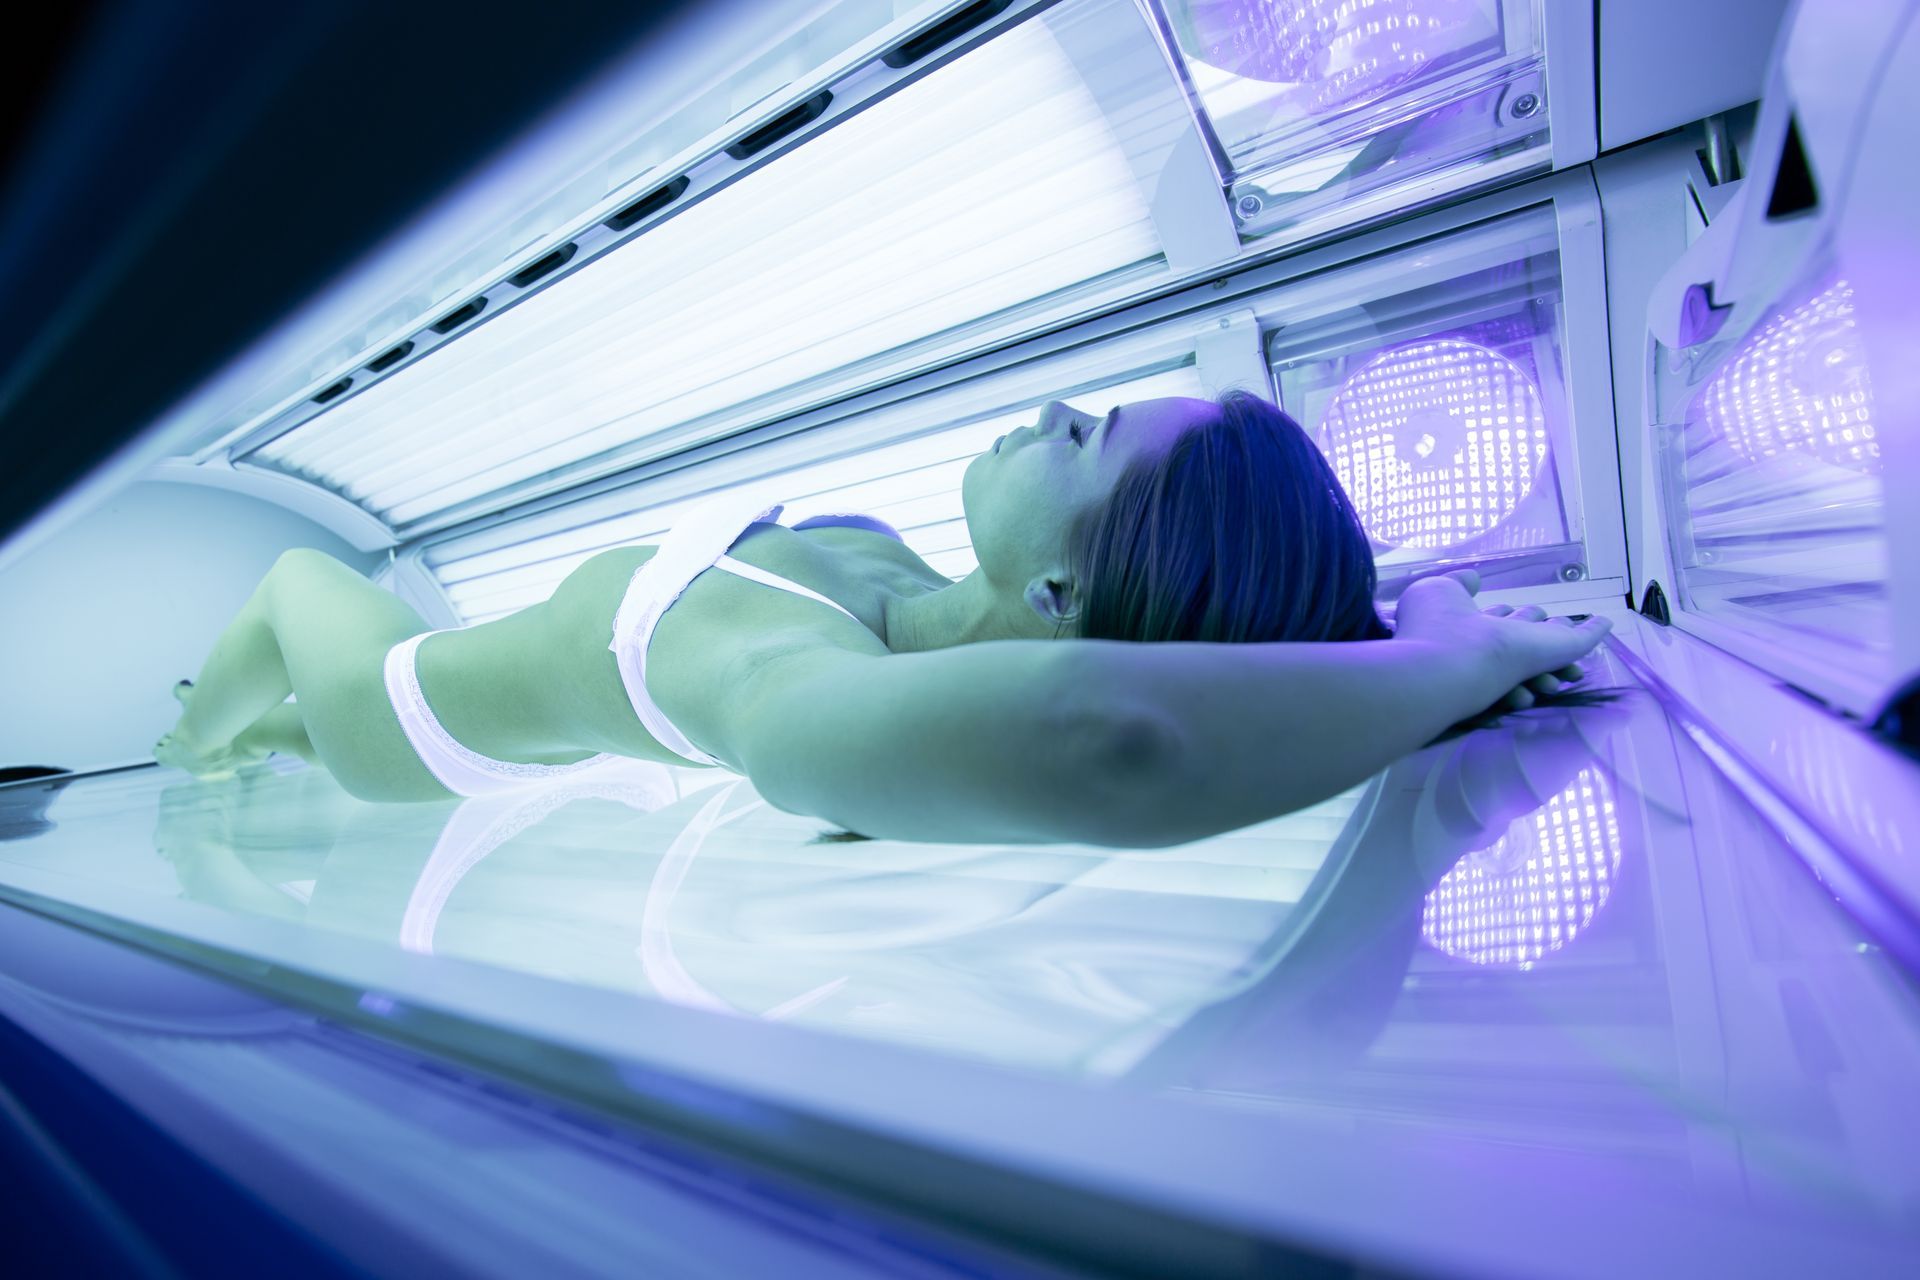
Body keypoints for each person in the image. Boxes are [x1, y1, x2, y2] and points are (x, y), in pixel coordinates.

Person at [154, 391, 1611, 846]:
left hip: (401, 711)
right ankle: (244, 749)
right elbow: (1229, 647)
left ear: (1061, 596)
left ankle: (184, 756)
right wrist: (1409, 614)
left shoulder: (785, 678)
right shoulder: (908, 594)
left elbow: (1110, 733)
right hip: (492, 707)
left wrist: (1450, 661)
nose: (1058, 405)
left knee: (285, 593)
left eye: (1089, 436)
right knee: (275, 726)